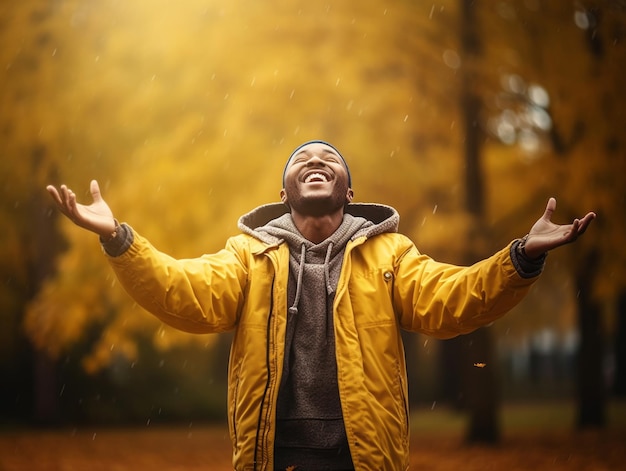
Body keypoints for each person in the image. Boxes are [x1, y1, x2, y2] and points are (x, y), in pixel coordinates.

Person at [46, 140, 595, 471]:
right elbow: (183, 291)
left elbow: (452, 299)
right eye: (301, 159)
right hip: (274, 456)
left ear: (349, 190)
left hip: (364, 460)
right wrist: (119, 238)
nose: (315, 161)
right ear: (283, 190)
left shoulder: (390, 253)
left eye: (328, 158)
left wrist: (521, 256)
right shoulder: (248, 255)